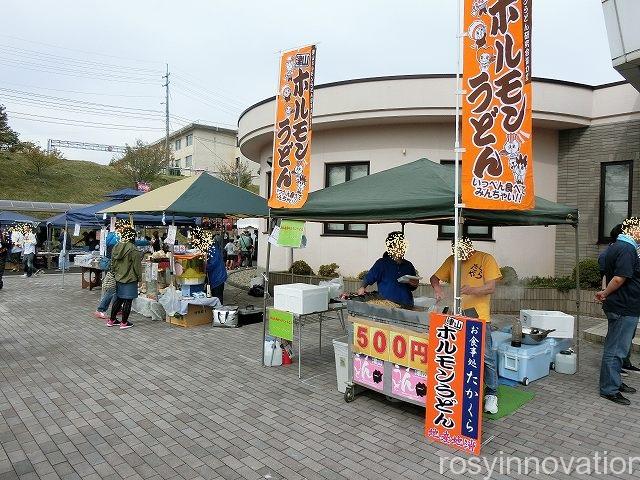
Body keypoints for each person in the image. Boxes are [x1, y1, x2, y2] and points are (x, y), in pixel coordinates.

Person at [430, 237, 502, 414]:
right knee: (458, 355)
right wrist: (438, 289)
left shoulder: (486, 258)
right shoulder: (452, 260)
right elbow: (434, 278)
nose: (458, 253)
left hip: (480, 317)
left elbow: (491, 287)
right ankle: (460, 388)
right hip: (456, 316)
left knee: (486, 357)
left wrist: (472, 290)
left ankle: (491, 393)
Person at [596, 217, 640, 405]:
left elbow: (607, 273)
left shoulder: (614, 247)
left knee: (616, 348)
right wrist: (604, 293)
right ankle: (609, 389)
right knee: (616, 350)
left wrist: (605, 294)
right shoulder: (627, 249)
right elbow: (619, 278)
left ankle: (615, 382)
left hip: (621, 305)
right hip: (624, 306)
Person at [357, 231, 418, 306]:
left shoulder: (408, 265)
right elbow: (368, 278)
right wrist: (362, 287)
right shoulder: (382, 263)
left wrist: (414, 284)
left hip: (407, 305)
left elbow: (413, 287)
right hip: (387, 306)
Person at [107, 225, 141, 329]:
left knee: (119, 299)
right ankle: (124, 322)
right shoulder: (133, 249)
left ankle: (112, 320)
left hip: (118, 277)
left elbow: (112, 263)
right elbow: (137, 267)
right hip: (130, 278)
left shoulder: (116, 246)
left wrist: (114, 273)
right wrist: (139, 278)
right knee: (128, 300)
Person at [94, 229, 120, 319]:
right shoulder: (117, 239)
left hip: (110, 267)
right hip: (113, 269)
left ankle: (116, 308)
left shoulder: (109, 236)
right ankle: (100, 309)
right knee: (111, 290)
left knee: (114, 289)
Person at [206, 237, 228, 303]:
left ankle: (219, 311)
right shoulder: (213, 248)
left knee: (217, 297)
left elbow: (213, 264)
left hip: (218, 276)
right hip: (218, 275)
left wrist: (203, 268)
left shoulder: (212, 250)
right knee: (216, 296)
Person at [0, 226, 12, 290]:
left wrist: (3, 243)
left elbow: (9, 244)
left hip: (2, 254)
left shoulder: (4, 233)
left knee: (0, 269)